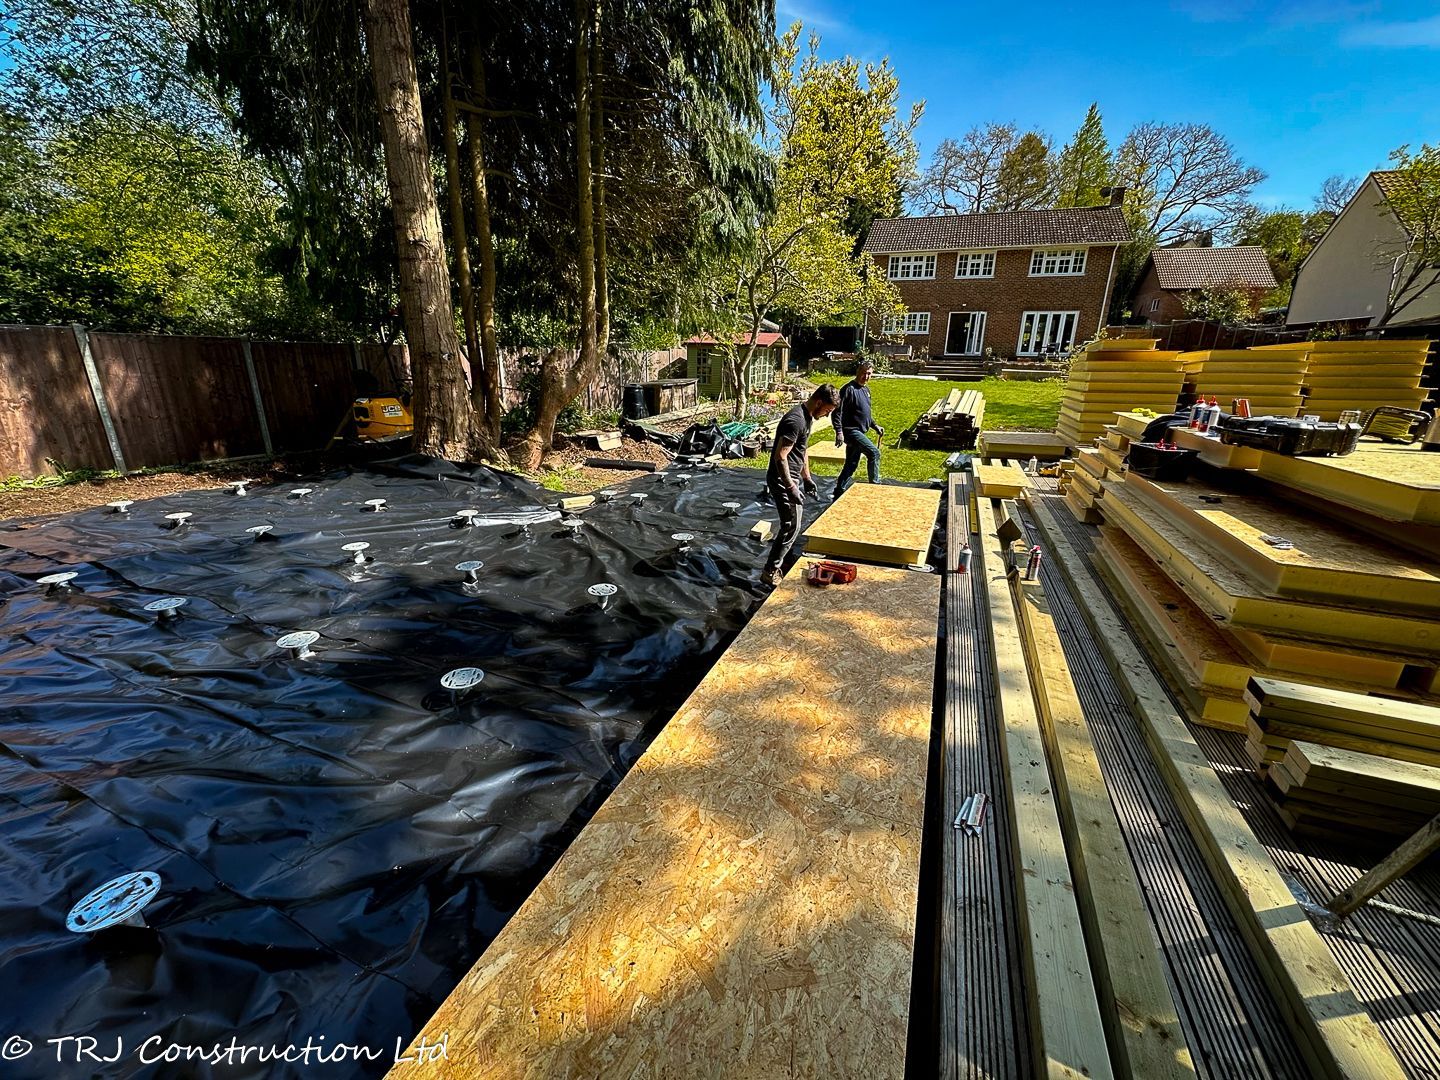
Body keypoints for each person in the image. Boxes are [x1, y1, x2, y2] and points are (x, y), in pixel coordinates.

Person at [761, 384, 838, 587]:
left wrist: (807, 478)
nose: (827, 416)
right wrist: (790, 487)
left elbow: (802, 450)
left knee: (792, 525)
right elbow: (780, 457)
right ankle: (770, 571)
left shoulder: (807, 418)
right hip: (782, 479)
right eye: (828, 411)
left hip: (793, 478)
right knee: (791, 526)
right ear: (819, 402)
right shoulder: (795, 420)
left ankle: (775, 565)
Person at [832, 359, 884, 500]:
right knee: (874, 453)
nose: (866, 377)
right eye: (864, 373)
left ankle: (838, 490)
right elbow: (837, 412)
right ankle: (875, 486)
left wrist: (875, 426)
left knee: (851, 464)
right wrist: (839, 432)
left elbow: (865, 413)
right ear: (858, 372)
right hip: (851, 431)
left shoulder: (866, 390)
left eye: (869, 374)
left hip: (860, 431)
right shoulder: (848, 389)